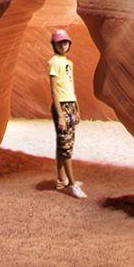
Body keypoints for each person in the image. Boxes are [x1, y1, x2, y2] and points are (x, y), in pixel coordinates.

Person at [47, 26, 85, 198]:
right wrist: (61, 114)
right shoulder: (54, 62)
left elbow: (70, 85)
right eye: (60, 43)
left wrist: (76, 106)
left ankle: (61, 179)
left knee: (63, 145)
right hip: (61, 106)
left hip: (70, 105)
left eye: (65, 42)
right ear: (54, 45)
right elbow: (54, 90)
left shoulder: (68, 63)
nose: (63, 45)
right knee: (66, 146)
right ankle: (71, 183)